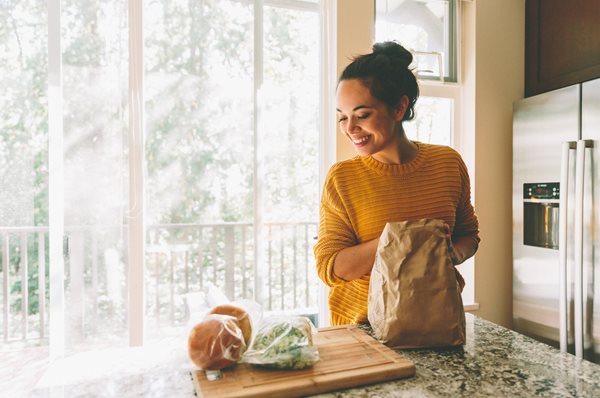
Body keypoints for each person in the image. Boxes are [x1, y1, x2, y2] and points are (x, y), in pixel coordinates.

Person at [313, 41, 480, 326]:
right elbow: (330, 267)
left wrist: (453, 253)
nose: (350, 128)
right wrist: (399, 240)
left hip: (438, 324)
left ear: (399, 107)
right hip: (364, 331)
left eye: (362, 115)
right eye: (343, 117)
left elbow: (469, 234)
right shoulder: (342, 179)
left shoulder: (448, 163)